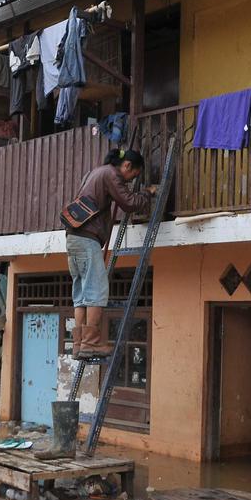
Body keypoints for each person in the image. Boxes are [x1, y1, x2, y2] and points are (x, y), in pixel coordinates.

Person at [66, 148, 156, 359]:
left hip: (73, 238)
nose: (131, 181)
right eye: (133, 175)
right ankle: (90, 343)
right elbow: (129, 203)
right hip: (87, 239)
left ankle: (79, 345)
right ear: (126, 166)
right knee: (96, 291)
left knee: (80, 296)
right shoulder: (111, 174)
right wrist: (147, 193)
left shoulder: (95, 172)